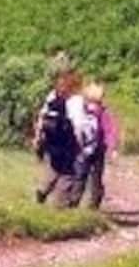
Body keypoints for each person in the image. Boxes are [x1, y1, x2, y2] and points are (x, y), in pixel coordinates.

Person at [32, 70, 83, 207]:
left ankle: (42, 191)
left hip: (51, 142)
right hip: (67, 143)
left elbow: (42, 118)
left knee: (53, 168)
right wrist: (80, 144)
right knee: (68, 173)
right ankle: (60, 204)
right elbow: (78, 125)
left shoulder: (52, 97)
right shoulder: (75, 102)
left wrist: (38, 138)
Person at [67, 82, 120, 210]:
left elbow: (110, 131)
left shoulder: (103, 113)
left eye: (97, 101)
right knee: (80, 177)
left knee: (94, 178)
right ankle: (74, 204)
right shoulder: (79, 111)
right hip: (82, 150)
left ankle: (92, 206)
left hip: (97, 151)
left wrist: (112, 147)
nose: (94, 104)